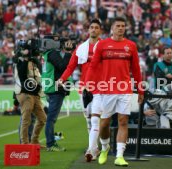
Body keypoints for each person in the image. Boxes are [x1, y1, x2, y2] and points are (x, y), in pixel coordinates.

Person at [85, 17, 144, 167]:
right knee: (104, 123)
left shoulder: (131, 46)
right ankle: (105, 148)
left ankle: (119, 156)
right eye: (118, 26)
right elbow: (92, 66)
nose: (121, 28)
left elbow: (136, 70)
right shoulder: (102, 45)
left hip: (124, 89)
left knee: (123, 121)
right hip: (107, 89)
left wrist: (140, 89)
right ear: (112, 28)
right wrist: (88, 84)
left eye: (123, 26)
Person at [58, 19, 102, 160]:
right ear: (88, 30)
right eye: (91, 27)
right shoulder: (81, 48)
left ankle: (94, 148)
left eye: (96, 27)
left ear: (100, 30)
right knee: (89, 120)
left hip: (102, 87)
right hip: (84, 88)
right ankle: (94, 148)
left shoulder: (105, 46)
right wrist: (62, 79)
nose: (93, 30)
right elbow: (71, 67)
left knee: (98, 119)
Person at [42, 37, 76, 151]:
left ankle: (51, 142)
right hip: (55, 89)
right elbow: (62, 66)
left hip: (51, 87)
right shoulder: (52, 53)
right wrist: (67, 52)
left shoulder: (48, 54)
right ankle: (50, 144)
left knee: (51, 118)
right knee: (51, 118)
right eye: (56, 41)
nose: (59, 43)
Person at [14, 46, 47, 145]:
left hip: (35, 94)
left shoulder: (35, 63)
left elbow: (40, 76)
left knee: (42, 119)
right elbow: (21, 76)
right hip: (26, 93)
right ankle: (24, 143)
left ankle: (34, 141)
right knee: (26, 119)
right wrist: (26, 58)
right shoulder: (20, 62)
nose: (39, 55)